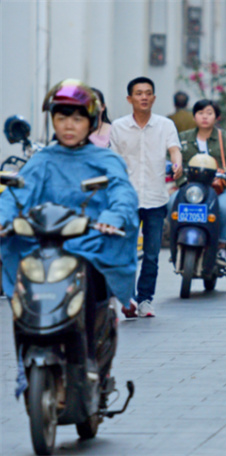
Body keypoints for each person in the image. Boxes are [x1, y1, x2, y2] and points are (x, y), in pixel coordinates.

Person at [0, 79, 139, 371]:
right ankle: (25, 364)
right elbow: (16, 194)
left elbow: (122, 193)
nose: (68, 125)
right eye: (61, 118)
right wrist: (3, 220)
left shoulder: (106, 160)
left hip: (89, 244)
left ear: (91, 123)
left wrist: (112, 219)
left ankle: (89, 359)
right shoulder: (42, 160)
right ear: (52, 120)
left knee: (90, 282)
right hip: (44, 243)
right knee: (23, 295)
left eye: (77, 118)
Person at [110, 76, 183, 318]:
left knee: (151, 253)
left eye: (148, 93)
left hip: (155, 197)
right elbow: (113, 161)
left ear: (153, 97)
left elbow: (174, 148)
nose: (144, 97)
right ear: (129, 98)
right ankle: (128, 297)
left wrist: (177, 163)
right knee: (127, 250)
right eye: (139, 93)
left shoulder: (165, 125)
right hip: (127, 199)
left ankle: (145, 300)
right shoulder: (118, 127)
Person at [173, 99, 226, 264]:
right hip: (190, 189)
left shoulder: (225, 138)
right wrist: (180, 180)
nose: (205, 117)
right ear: (194, 116)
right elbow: (172, 160)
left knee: (225, 208)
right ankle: (176, 244)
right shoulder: (182, 138)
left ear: (216, 117)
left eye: (209, 113)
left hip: (219, 189)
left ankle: (221, 247)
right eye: (200, 113)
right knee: (170, 204)